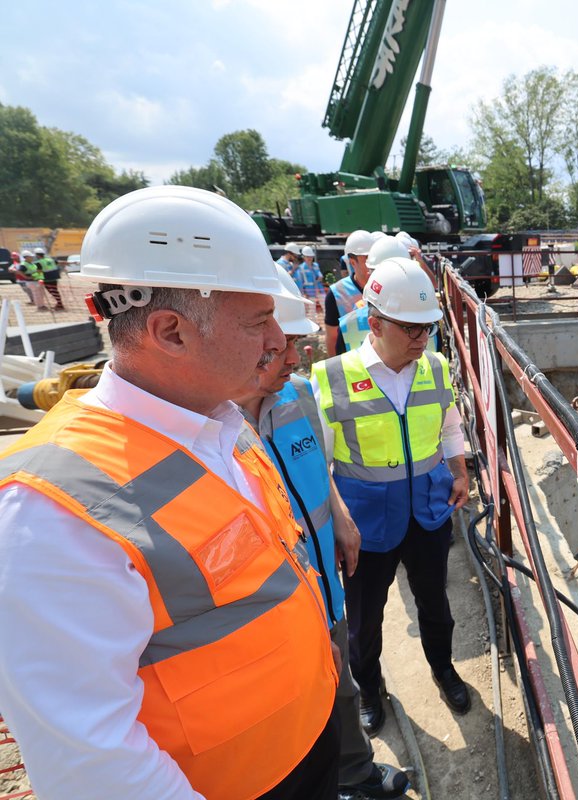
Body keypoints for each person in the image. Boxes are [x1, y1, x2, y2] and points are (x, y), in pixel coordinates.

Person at [0, 185, 339, 800]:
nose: (276, 341)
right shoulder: (50, 509)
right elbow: (92, 760)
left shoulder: (220, 424)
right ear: (170, 331)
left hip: (305, 746)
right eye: (258, 320)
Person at [236, 266, 410, 799]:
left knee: (341, 689)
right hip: (274, 613)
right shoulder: (212, 432)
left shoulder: (298, 396)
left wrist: (339, 513)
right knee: (296, 713)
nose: (293, 359)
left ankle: (358, 775)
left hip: (323, 586)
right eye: (279, 346)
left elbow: (320, 467)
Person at [311, 257, 472, 733]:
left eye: (427, 329)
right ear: (375, 323)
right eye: (411, 329)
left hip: (427, 513)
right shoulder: (332, 377)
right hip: (366, 525)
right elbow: (320, 464)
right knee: (364, 620)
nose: (422, 340)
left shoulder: (435, 367)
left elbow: (449, 425)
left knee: (435, 606)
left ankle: (443, 669)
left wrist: (459, 471)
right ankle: (369, 686)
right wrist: (338, 518)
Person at [323, 229, 376, 356]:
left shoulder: (387, 287)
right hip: (354, 366)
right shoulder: (337, 294)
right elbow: (332, 337)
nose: (372, 264)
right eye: (367, 259)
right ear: (353, 262)